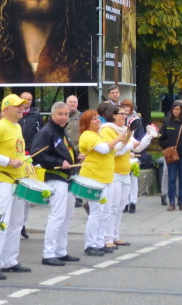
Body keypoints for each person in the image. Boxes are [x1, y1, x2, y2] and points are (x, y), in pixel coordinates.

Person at [0, 94, 30, 280]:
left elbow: (16, 151)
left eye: (22, 105)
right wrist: (9, 161)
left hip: (17, 180)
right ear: (6, 109)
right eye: (18, 106)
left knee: (16, 223)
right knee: (1, 223)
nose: (22, 108)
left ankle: (9, 260)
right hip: (3, 180)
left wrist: (24, 162)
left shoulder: (16, 126)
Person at [31, 102, 81, 266]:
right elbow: (37, 155)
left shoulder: (61, 131)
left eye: (66, 114)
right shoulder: (46, 132)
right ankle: (48, 253)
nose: (63, 117)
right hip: (56, 177)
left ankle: (60, 250)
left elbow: (63, 151)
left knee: (67, 216)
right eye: (60, 114)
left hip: (67, 178)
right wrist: (58, 162)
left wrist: (76, 157)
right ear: (52, 115)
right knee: (57, 216)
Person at [79, 109, 127, 256]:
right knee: (96, 212)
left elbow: (116, 149)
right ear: (87, 122)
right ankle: (90, 244)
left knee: (105, 211)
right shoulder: (87, 135)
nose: (98, 121)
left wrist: (125, 137)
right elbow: (104, 149)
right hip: (93, 177)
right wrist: (118, 139)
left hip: (105, 177)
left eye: (98, 118)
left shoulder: (98, 135)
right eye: (94, 119)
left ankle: (100, 242)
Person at [100, 105, 134, 249]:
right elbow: (115, 150)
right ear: (113, 115)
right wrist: (128, 144)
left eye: (126, 114)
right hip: (114, 172)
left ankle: (115, 236)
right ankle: (107, 238)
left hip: (125, 171)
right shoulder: (107, 130)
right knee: (112, 207)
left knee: (120, 207)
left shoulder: (124, 130)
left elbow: (134, 146)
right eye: (122, 114)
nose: (124, 116)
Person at [158, 101, 182, 212]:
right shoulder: (167, 122)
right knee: (172, 178)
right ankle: (172, 202)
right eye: (174, 109)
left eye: (178, 109)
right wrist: (167, 148)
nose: (176, 111)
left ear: (181, 110)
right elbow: (161, 138)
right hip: (171, 156)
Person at [17, 91, 41, 239]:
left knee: (27, 193)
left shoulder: (36, 115)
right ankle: (15, 223)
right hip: (16, 156)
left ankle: (23, 225)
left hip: (30, 156)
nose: (26, 101)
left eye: (29, 99)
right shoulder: (15, 116)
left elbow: (40, 134)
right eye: (24, 99)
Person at [121, 99, 144, 213]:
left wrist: (134, 151)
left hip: (134, 153)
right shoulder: (120, 120)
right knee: (124, 180)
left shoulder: (137, 120)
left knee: (133, 178)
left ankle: (133, 202)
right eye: (124, 107)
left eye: (128, 107)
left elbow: (140, 136)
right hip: (123, 153)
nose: (126, 109)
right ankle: (124, 202)